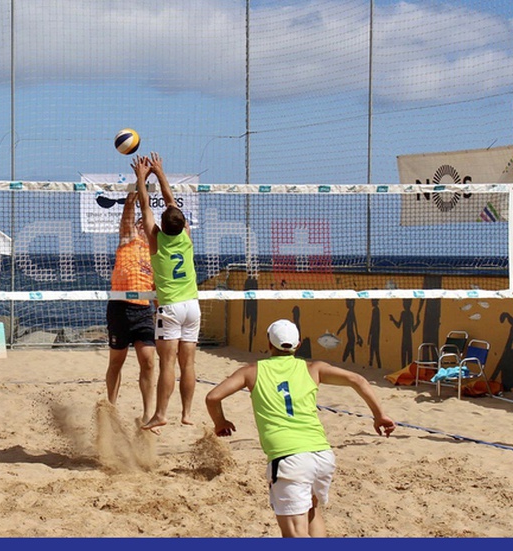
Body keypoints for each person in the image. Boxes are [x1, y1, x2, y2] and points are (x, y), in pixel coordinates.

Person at [205, 319, 396, 538]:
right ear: (297, 344)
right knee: (312, 512)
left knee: (295, 535)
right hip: (321, 455)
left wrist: (220, 422)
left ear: (269, 343)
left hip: (289, 458)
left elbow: (212, 397)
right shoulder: (314, 368)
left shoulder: (251, 371)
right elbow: (358, 379)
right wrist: (379, 415)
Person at [134, 152, 200, 431]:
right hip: (192, 306)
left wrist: (140, 177)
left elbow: (146, 205)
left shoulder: (156, 240)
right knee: (189, 363)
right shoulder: (185, 237)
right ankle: (186, 413)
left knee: (168, 364)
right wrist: (160, 171)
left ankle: (161, 413)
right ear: (183, 225)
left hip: (171, 308)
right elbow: (170, 201)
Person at [104, 191, 156, 423]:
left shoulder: (155, 254)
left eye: (145, 225)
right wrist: (132, 198)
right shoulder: (128, 241)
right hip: (120, 307)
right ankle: (111, 407)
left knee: (148, 361)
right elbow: (127, 218)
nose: (141, 226)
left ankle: (147, 413)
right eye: (139, 224)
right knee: (117, 361)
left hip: (143, 310)